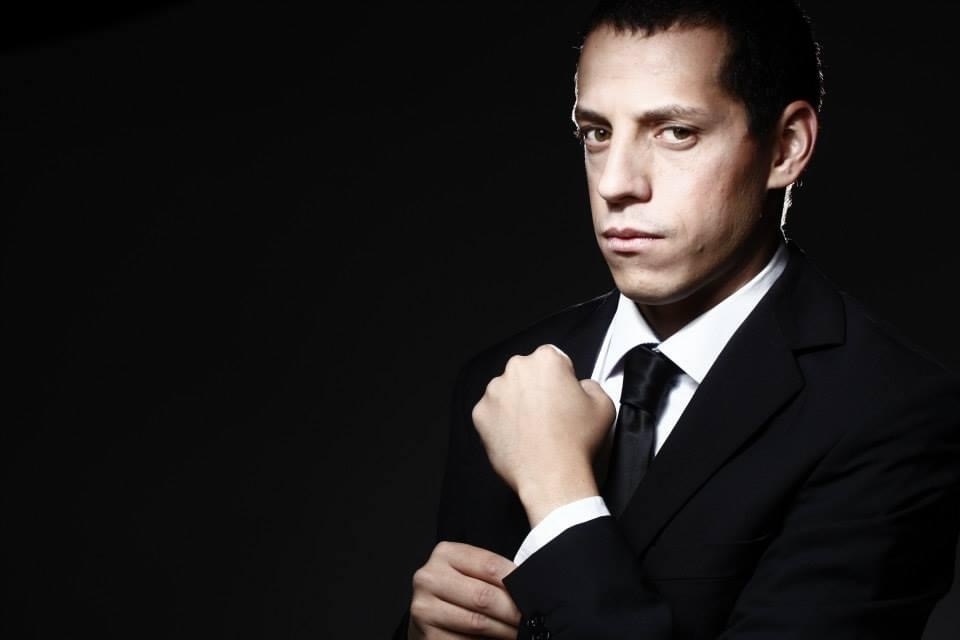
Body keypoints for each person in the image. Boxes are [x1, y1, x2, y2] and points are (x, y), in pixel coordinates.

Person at [394, 1, 960, 638]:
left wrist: (558, 493)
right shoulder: (502, 381)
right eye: (597, 133)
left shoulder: (891, 413)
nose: (615, 183)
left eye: (675, 132)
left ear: (786, 146)